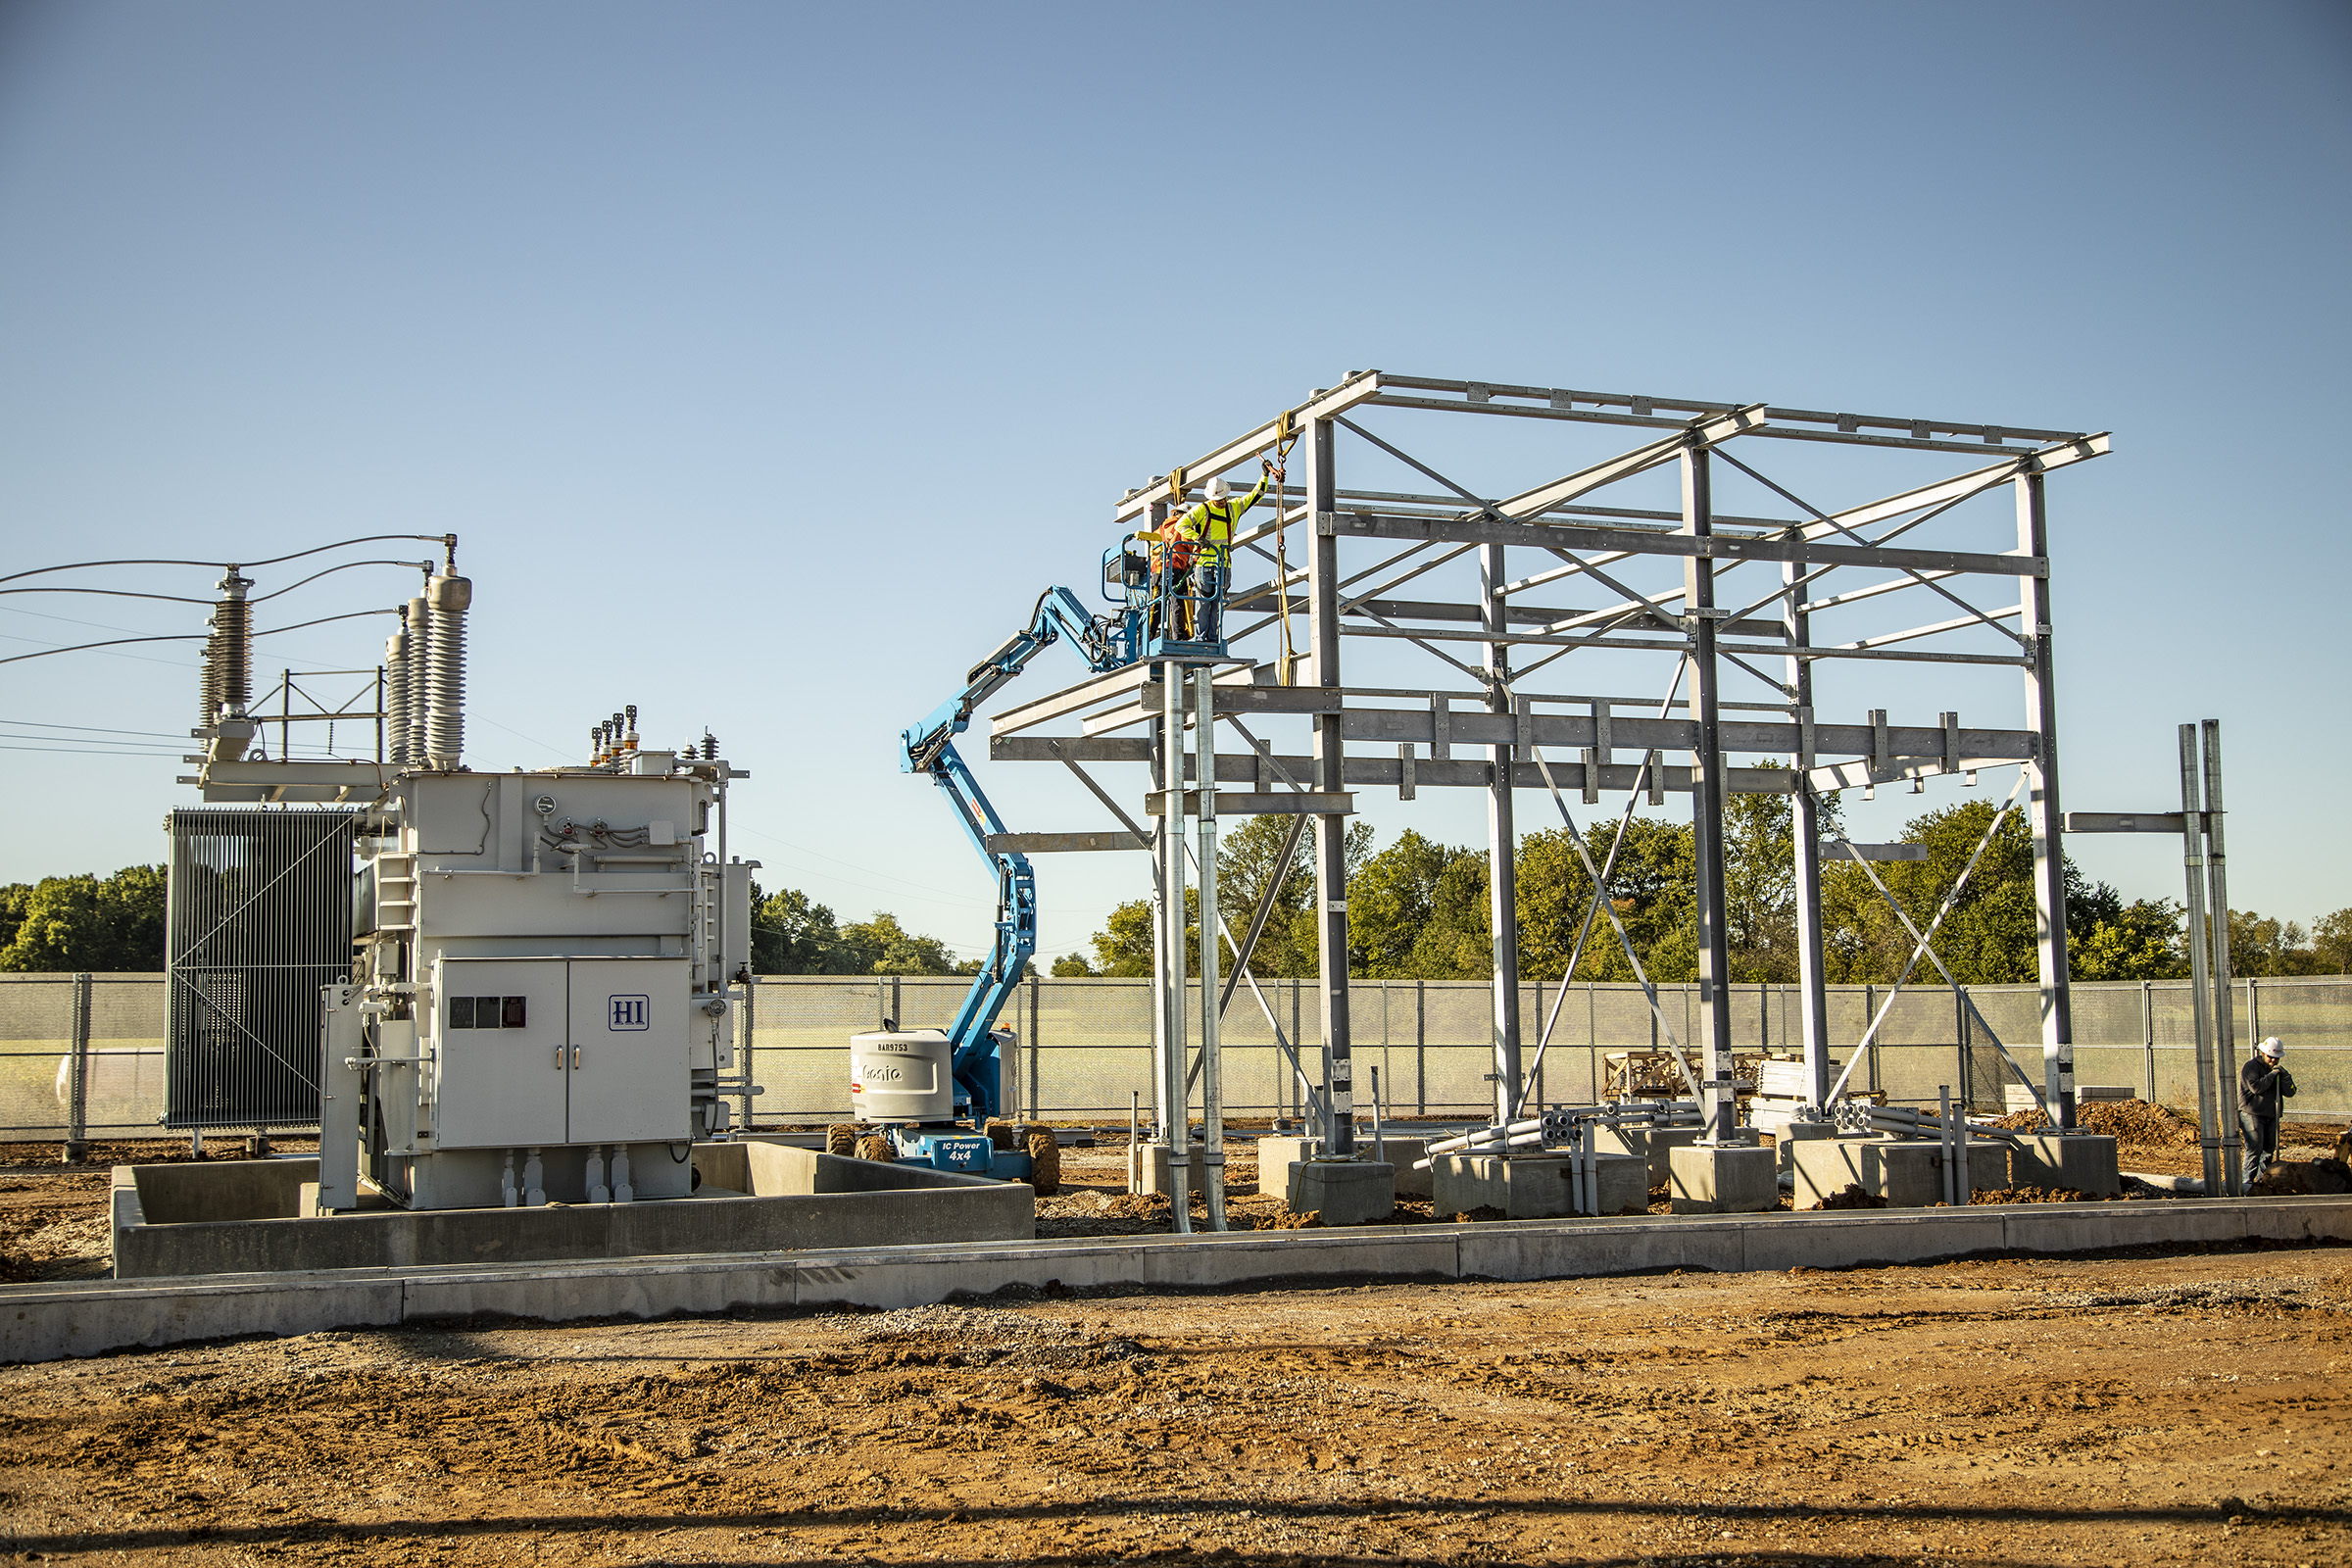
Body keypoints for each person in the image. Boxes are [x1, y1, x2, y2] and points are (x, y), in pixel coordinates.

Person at [1169, 456, 1282, 643]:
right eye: (1218, 499)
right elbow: (1181, 525)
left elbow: (1256, 494)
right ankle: (1202, 639)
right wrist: (1197, 537)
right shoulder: (1201, 510)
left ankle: (1212, 639)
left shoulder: (1233, 507)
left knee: (1217, 603)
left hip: (1223, 564)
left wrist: (1264, 475)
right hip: (1204, 564)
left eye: (1223, 498)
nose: (1221, 502)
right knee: (1205, 602)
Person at [2240, 1035, 2296, 1190]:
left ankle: (2263, 1182)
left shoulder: (2278, 1072)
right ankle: (2247, 1184)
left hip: (2271, 1115)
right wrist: (2272, 1075)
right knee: (2255, 1148)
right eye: (2271, 1057)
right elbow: (2256, 1088)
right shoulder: (2251, 1067)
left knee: (2268, 1150)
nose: (2273, 1061)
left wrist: (2285, 1077)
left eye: (2276, 1058)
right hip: (2252, 1113)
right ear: (2263, 1053)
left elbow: (2291, 1092)